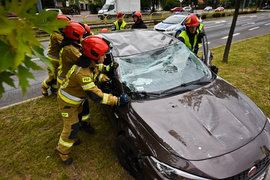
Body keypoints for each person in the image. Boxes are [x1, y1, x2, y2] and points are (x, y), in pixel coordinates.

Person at [56, 36, 131, 165]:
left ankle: (72, 138)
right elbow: (97, 96)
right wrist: (117, 100)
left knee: (77, 120)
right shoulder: (82, 73)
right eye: (102, 55)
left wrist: (107, 69)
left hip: (76, 99)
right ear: (94, 56)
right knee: (71, 127)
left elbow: (96, 72)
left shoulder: (87, 63)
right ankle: (62, 151)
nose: (105, 58)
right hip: (68, 103)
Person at [41, 15, 70, 96]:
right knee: (52, 77)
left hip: (59, 59)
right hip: (52, 61)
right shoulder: (56, 34)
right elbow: (64, 43)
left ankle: (54, 89)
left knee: (57, 76)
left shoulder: (60, 32)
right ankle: (44, 87)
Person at [57, 21, 85, 88]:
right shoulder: (70, 49)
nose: (82, 36)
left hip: (66, 77)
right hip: (65, 81)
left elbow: (82, 42)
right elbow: (84, 62)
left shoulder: (70, 43)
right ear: (76, 35)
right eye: (81, 35)